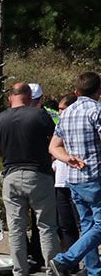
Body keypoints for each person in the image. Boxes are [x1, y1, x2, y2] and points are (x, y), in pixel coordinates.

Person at [0, 82, 59, 276]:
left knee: (16, 228)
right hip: (39, 174)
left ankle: (20, 272)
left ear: (10, 97)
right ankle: (52, 271)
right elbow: (55, 141)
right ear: (29, 97)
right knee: (46, 226)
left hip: (11, 175)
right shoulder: (40, 115)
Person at [48, 72, 101, 276]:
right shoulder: (97, 111)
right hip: (96, 176)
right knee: (98, 226)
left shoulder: (67, 113)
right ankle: (65, 260)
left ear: (77, 91)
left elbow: (53, 146)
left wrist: (67, 158)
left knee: (88, 226)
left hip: (74, 178)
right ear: (99, 90)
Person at [54, 93, 81, 251]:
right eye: (59, 109)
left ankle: (88, 259)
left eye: (63, 109)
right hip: (60, 181)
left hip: (77, 180)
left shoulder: (78, 126)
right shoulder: (59, 126)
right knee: (65, 224)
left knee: (83, 223)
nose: (60, 113)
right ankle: (72, 259)